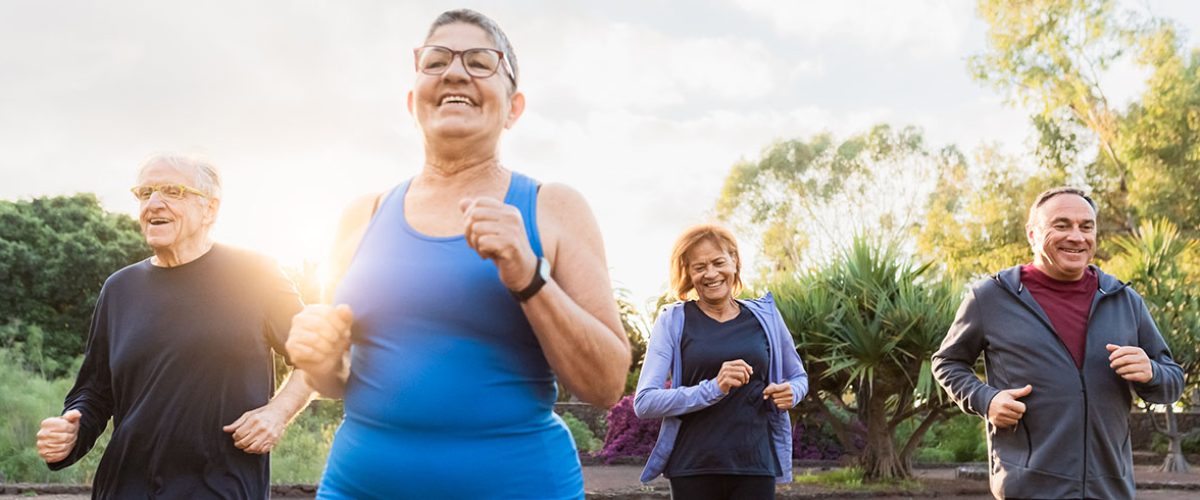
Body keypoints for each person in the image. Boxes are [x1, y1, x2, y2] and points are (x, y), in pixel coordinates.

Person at [284, 9, 630, 499]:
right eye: (436, 61)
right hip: (359, 486)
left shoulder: (553, 207)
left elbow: (606, 384)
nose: (454, 73)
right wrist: (319, 359)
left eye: (480, 62)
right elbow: (337, 379)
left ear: (513, 108)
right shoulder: (360, 215)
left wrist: (530, 278)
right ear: (413, 102)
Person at [34, 153, 315, 499]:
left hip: (220, 488)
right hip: (124, 488)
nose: (153, 203)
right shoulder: (119, 288)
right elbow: (94, 391)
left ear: (209, 208)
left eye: (172, 191)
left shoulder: (256, 274)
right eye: (145, 192)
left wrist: (277, 413)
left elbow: (317, 359)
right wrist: (70, 431)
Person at [932, 187, 1184, 499]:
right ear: (1032, 234)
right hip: (1028, 489)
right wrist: (986, 399)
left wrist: (1152, 372)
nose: (1077, 237)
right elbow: (947, 362)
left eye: (1086, 227)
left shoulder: (1124, 300)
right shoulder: (991, 297)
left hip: (1110, 490)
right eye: (1062, 225)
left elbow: (1173, 380)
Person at [633, 224, 808, 500]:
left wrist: (792, 392)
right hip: (693, 467)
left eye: (718, 262)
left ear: (734, 261)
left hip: (755, 465)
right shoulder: (673, 320)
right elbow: (645, 402)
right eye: (699, 267)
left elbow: (799, 378)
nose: (711, 274)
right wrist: (714, 388)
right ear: (688, 273)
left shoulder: (766, 317)